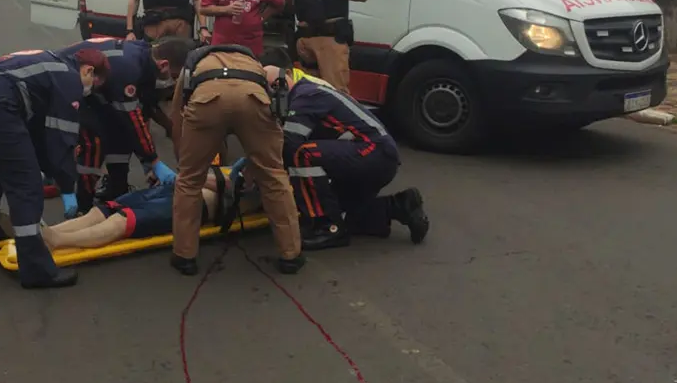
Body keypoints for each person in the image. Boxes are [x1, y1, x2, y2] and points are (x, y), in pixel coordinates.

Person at [0, 47, 111, 289]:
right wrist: (67, 187)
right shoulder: (69, 79)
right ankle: (36, 268)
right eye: (93, 84)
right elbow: (62, 139)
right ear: (88, 70)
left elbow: (37, 131)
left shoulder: (49, 63)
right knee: (26, 183)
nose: (88, 92)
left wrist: (46, 165)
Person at [260, 49, 429, 250]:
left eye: (275, 86)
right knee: (337, 208)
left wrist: (256, 168)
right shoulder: (307, 91)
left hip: (372, 152)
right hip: (373, 155)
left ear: (288, 74)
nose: (273, 93)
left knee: (302, 155)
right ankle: (401, 206)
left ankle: (328, 228)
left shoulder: (307, 96)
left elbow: (288, 144)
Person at [168, 43, 303, 275]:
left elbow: (177, 114)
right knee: (273, 177)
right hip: (253, 98)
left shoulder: (193, 63)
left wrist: (184, 160)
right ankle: (291, 254)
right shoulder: (254, 63)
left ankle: (184, 255)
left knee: (190, 181)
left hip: (206, 99)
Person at [56, 36, 197, 211]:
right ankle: (82, 205)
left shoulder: (142, 57)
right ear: (164, 65)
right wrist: (153, 161)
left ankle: (117, 191)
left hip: (93, 87)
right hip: (69, 84)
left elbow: (142, 110)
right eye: (174, 76)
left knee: (120, 135)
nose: (173, 82)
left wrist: (149, 161)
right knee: (93, 144)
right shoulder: (128, 68)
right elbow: (134, 120)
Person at [41, 163, 257, 250]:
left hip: (196, 206)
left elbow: (233, 190)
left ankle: (57, 240)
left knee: (122, 220)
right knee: (107, 208)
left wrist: (193, 178)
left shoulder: (273, 179)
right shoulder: (254, 155)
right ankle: (48, 233)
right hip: (178, 190)